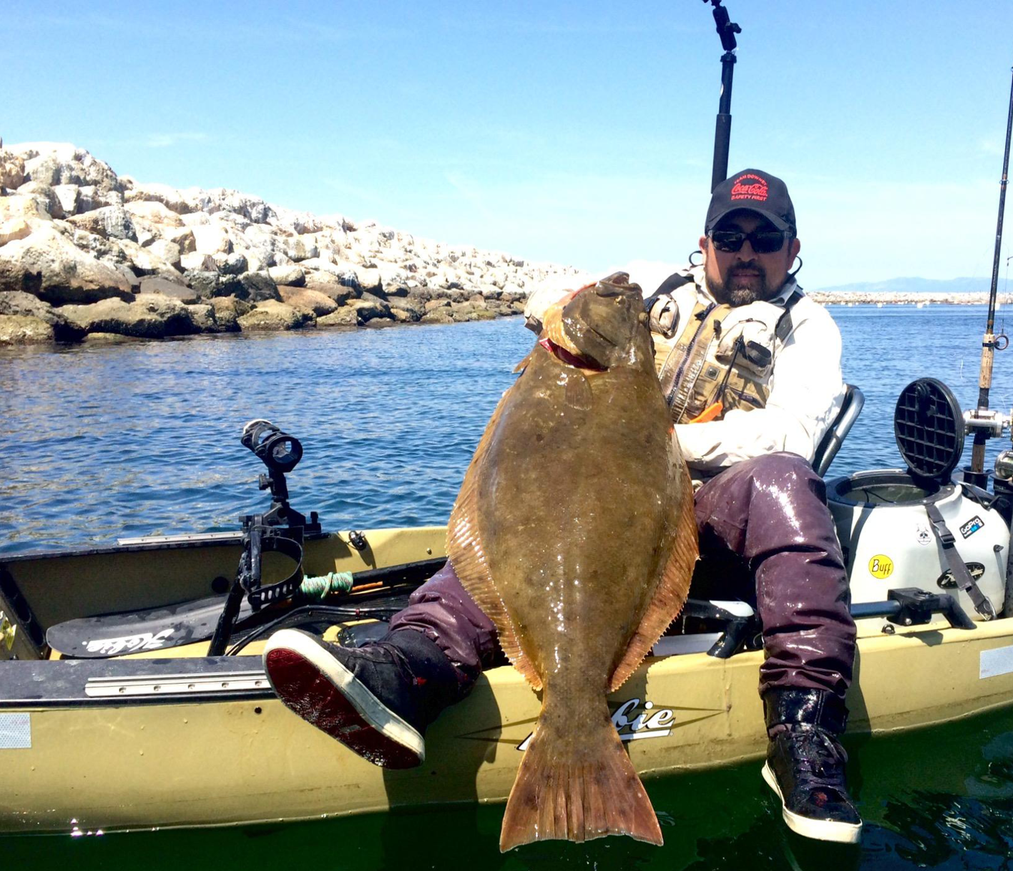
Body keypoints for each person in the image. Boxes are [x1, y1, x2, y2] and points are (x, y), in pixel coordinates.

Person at [262, 169, 861, 844]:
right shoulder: (648, 285)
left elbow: (794, 434)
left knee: (784, 477)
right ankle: (409, 669)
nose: (747, 251)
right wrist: (562, 311)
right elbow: (548, 299)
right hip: (599, 513)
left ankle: (805, 727)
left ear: (792, 247)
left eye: (765, 238)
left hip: (709, 523)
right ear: (706, 242)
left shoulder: (809, 328)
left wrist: (657, 442)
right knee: (511, 522)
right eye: (732, 235)